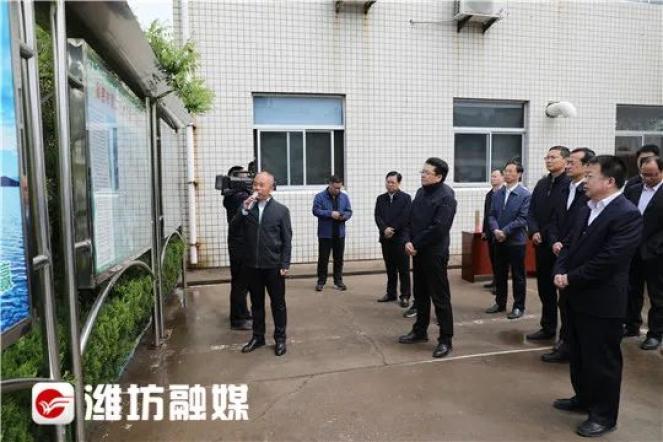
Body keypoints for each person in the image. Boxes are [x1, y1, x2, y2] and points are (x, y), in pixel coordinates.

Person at [552, 155, 642, 437]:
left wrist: (571, 277)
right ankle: (583, 398)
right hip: (574, 296)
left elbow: (610, 259)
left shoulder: (626, 214)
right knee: (578, 354)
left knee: (601, 360)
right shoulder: (586, 208)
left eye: (590, 176)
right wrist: (559, 270)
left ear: (609, 181)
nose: (585, 181)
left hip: (602, 301)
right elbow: (568, 244)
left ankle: (603, 416)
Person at [398, 158, 457, 358]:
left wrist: (415, 243)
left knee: (440, 297)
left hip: (434, 253)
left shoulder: (446, 196)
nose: (422, 175)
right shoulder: (420, 192)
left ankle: (445, 339)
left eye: (426, 172)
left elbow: (439, 228)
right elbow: (410, 219)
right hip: (417, 251)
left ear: (438, 176)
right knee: (420, 294)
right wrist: (407, 240)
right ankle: (419, 331)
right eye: (422, 171)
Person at [542, 147, 595, 363]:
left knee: (573, 303)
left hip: (575, 253)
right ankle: (565, 342)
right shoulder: (564, 188)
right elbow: (554, 218)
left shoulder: (588, 192)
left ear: (587, 166)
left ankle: (571, 345)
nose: (568, 165)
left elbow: (581, 225)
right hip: (559, 249)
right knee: (563, 302)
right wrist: (554, 240)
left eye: (573, 162)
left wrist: (565, 244)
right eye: (569, 161)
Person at [232, 172, 292, 356]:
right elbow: (233, 228)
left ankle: (280, 338)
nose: (257, 188)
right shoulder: (247, 208)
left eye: (261, 185)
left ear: (271, 188)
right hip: (252, 266)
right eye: (255, 184)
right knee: (256, 304)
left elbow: (287, 239)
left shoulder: (281, 210)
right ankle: (258, 337)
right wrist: (243, 210)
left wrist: (285, 263)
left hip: (274, 266)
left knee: (278, 304)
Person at [526, 146, 571, 341]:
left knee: (565, 292)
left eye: (553, 157)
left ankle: (566, 335)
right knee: (545, 288)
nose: (549, 160)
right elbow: (531, 211)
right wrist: (534, 230)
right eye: (547, 157)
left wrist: (552, 237)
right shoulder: (542, 183)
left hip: (561, 245)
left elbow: (561, 217)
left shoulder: (569, 185)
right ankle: (548, 327)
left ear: (565, 161)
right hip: (541, 244)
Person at [624, 156, 663, 350]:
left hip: (656, 253)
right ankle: (631, 325)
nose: (648, 178)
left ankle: (655, 333)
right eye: (644, 175)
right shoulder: (633, 190)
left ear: (661, 172)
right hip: (632, 251)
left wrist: (654, 247)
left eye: (652, 175)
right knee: (632, 290)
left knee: (657, 295)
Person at [485, 161, 530, 319]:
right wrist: (495, 230)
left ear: (519, 174)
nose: (507, 174)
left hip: (516, 241)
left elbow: (523, 218)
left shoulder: (525, 194)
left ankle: (518, 306)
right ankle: (500, 302)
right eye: (506, 171)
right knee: (500, 273)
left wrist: (505, 231)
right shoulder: (498, 193)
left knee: (518, 275)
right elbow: (491, 215)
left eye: (511, 171)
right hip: (499, 240)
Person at [374, 171, 412, 307]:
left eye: (392, 182)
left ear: (399, 183)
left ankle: (405, 295)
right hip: (386, 239)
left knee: (403, 269)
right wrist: (384, 229)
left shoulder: (406, 198)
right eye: (388, 182)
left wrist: (392, 229)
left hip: (400, 239)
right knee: (390, 268)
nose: (389, 185)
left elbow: (405, 217)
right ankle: (391, 293)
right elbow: (377, 216)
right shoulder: (380, 198)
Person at [222, 166, 252, 330]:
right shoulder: (237, 196)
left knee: (242, 282)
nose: (246, 180)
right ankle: (238, 318)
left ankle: (243, 313)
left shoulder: (234, 195)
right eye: (242, 177)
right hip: (240, 244)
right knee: (240, 282)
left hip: (240, 242)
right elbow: (248, 210)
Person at [313, 175, 353, 292]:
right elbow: (315, 210)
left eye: (339, 188)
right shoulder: (320, 197)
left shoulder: (344, 197)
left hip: (339, 233)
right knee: (323, 259)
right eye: (336, 188)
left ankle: (338, 281)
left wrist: (343, 216)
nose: (338, 190)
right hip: (325, 234)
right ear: (330, 185)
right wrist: (330, 214)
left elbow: (349, 211)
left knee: (339, 259)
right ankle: (321, 281)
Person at [482, 169, 505, 292]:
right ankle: (495, 280)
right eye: (491, 176)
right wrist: (484, 231)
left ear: (502, 178)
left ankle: (500, 285)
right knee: (492, 257)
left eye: (495, 176)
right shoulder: (489, 194)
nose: (492, 179)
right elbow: (486, 215)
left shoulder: (505, 193)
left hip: (500, 232)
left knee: (500, 260)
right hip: (490, 232)